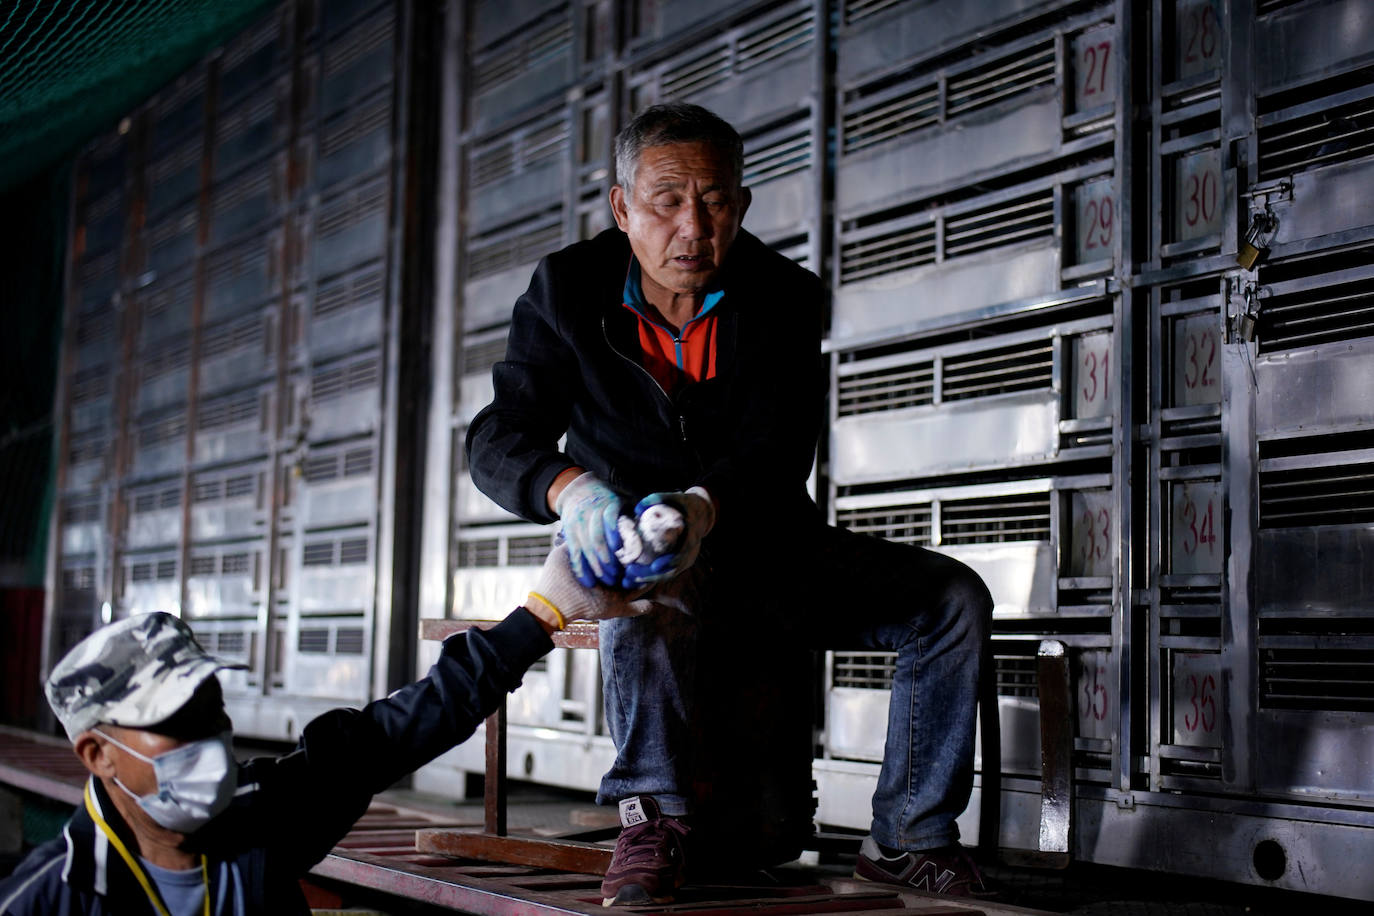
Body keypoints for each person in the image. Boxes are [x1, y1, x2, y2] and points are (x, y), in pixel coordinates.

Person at [465, 101, 995, 905]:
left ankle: (909, 836)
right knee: (643, 581)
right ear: (621, 209)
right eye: (666, 201)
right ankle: (651, 820)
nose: (692, 227)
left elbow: (779, 450)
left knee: (950, 599)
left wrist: (704, 509)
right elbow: (499, 433)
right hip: (640, 550)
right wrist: (572, 492)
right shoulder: (566, 289)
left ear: (741, 208)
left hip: (768, 547)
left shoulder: (784, 296)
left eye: (714, 202)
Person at [0, 546, 642, 915]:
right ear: (97, 754)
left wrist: (542, 615)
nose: (211, 740)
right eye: (176, 724)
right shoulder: (43, 901)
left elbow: (399, 730)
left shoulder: (264, 815)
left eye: (213, 711)